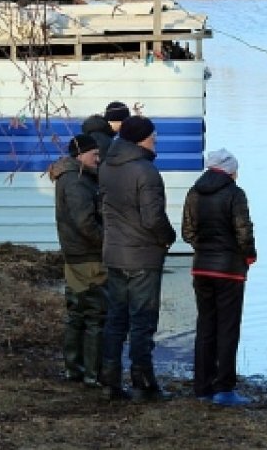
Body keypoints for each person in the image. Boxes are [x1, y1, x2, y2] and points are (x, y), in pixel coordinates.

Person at [98, 115, 177, 401]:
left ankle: (109, 381)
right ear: (141, 139)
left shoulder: (107, 166)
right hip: (142, 256)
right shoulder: (146, 172)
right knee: (143, 321)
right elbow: (153, 217)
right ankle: (143, 383)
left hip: (115, 253)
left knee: (116, 319)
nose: (155, 141)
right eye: (152, 136)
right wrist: (168, 237)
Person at [182, 148, 257, 406]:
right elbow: (243, 232)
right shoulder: (235, 194)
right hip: (229, 270)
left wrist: (203, 248)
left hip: (201, 267)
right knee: (227, 328)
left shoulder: (194, 192)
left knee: (205, 326)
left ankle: (202, 387)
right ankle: (224, 388)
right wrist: (249, 256)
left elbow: (187, 232)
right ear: (229, 170)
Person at [53, 134, 106, 386]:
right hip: (88, 258)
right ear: (80, 155)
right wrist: (108, 243)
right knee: (94, 315)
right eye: (94, 154)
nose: (98, 158)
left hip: (75, 255)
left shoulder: (71, 178)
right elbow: (85, 223)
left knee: (77, 313)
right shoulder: (77, 182)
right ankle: (92, 373)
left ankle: (74, 368)